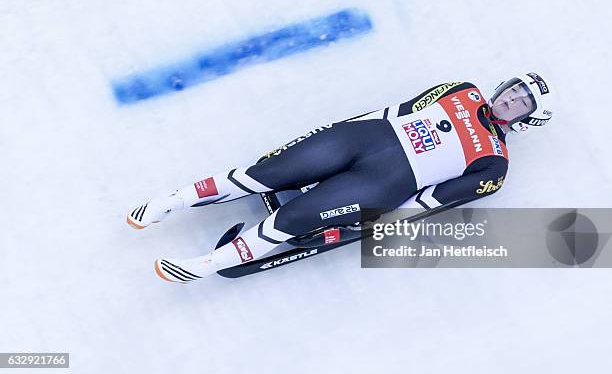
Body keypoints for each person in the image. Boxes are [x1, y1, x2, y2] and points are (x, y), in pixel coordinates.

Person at [128, 72, 552, 283]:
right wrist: (336, 131)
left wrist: (376, 222)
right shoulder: (463, 89)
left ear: (527, 119)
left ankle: (206, 264)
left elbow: (432, 202)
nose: (512, 98)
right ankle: (173, 201)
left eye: (522, 103)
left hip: (385, 181)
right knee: (263, 173)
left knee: (295, 219)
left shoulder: (495, 165)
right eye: (514, 89)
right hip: (364, 138)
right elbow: (394, 111)